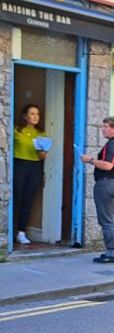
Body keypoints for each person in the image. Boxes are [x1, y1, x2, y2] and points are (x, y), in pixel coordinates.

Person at [80, 116, 114, 263]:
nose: (103, 129)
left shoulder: (113, 144)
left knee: (106, 221)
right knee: (112, 219)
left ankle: (112, 253)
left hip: (107, 184)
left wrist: (90, 160)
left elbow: (108, 165)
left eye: (106, 126)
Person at [12, 103, 48, 246]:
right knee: (15, 198)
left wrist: (43, 152)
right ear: (25, 116)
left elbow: (42, 157)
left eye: (37, 114)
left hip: (34, 167)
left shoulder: (41, 134)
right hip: (19, 164)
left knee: (28, 200)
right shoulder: (16, 131)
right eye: (32, 114)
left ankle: (21, 232)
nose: (35, 117)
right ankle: (9, 230)